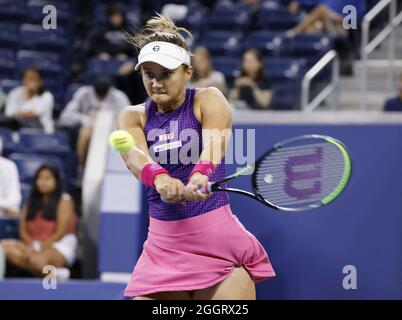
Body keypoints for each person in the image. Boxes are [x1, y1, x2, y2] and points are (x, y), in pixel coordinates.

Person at [116, 14, 275, 300]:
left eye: (166, 74)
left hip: (219, 246)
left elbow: (216, 141)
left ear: (187, 73)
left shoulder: (208, 98)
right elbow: (134, 155)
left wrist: (201, 174)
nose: (156, 83)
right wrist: (160, 178)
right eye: (149, 74)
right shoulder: (132, 116)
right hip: (162, 249)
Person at [0, 165, 77, 277]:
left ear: (56, 181)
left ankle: (52, 281)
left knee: (37, 259)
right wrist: (31, 246)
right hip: (33, 244)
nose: (42, 182)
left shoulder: (64, 200)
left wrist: (39, 248)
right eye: (39, 178)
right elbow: (23, 230)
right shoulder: (31, 201)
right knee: (4, 247)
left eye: (47, 178)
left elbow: (61, 232)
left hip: (58, 244)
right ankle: (56, 274)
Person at [59, 75, 130, 168]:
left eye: (103, 95)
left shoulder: (119, 97)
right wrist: (84, 119)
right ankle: (80, 167)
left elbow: (128, 122)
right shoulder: (83, 94)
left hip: (110, 132)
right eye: (98, 94)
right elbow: (64, 117)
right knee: (86, 132)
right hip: (85, 131)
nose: (100, 98)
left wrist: (107, 122)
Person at [0, 67, 54, 133]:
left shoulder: (47, 96)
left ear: (40, 82)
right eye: (27, 78)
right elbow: (9, 113)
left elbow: (33, 114)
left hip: (41, 132)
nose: (30, 81)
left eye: (33, 78)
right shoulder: (15, 92)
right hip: (16, 128)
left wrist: (18, 114)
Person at [0, 138, 21, 217]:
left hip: (4, 213)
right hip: (3, 208)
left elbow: (15, 199)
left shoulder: (9, 166)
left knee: (14, 212)